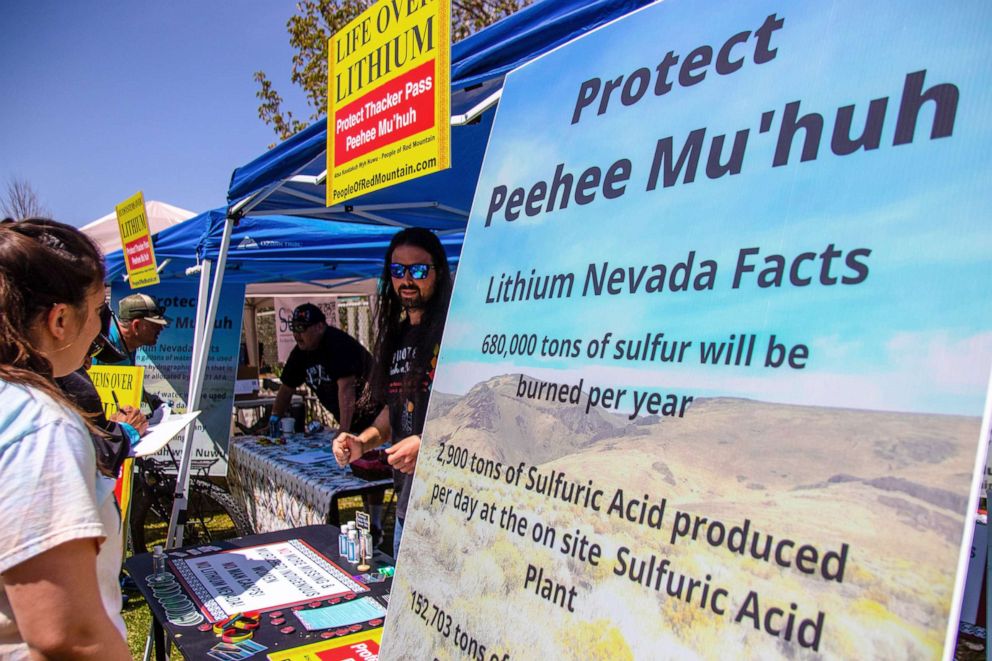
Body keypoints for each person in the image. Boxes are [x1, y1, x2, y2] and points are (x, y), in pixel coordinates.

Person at [0, 219, 131, 659]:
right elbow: (69, 635)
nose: (100, 328)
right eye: (97, 311)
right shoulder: (41, 422)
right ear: (59, 319)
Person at [333, 227, 453, 557]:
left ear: (438, 274)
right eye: (398, 270)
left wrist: (428, 445)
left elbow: (479, 414)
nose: (407, 280)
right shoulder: (397, 336)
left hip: (449, 514)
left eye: (418, 270)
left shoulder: (457, 333)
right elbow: (394, 411)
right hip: (406, 510)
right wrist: (363, 441)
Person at [270, 303, 377, 434]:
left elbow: (347, 388)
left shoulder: (337, 343)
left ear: (320, 327)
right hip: (353, 424)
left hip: (377, 417)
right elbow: (286, 389)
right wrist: (274, 420)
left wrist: (344, 430)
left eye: (301, 328)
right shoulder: (300, 352)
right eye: (293, 328)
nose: (296, 334)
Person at [95, 292, 169, 411]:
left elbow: (126, 387)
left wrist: (152, 401)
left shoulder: (131, 346)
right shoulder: (103, 347)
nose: (161, 328)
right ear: (136, 326)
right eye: (155, 325)